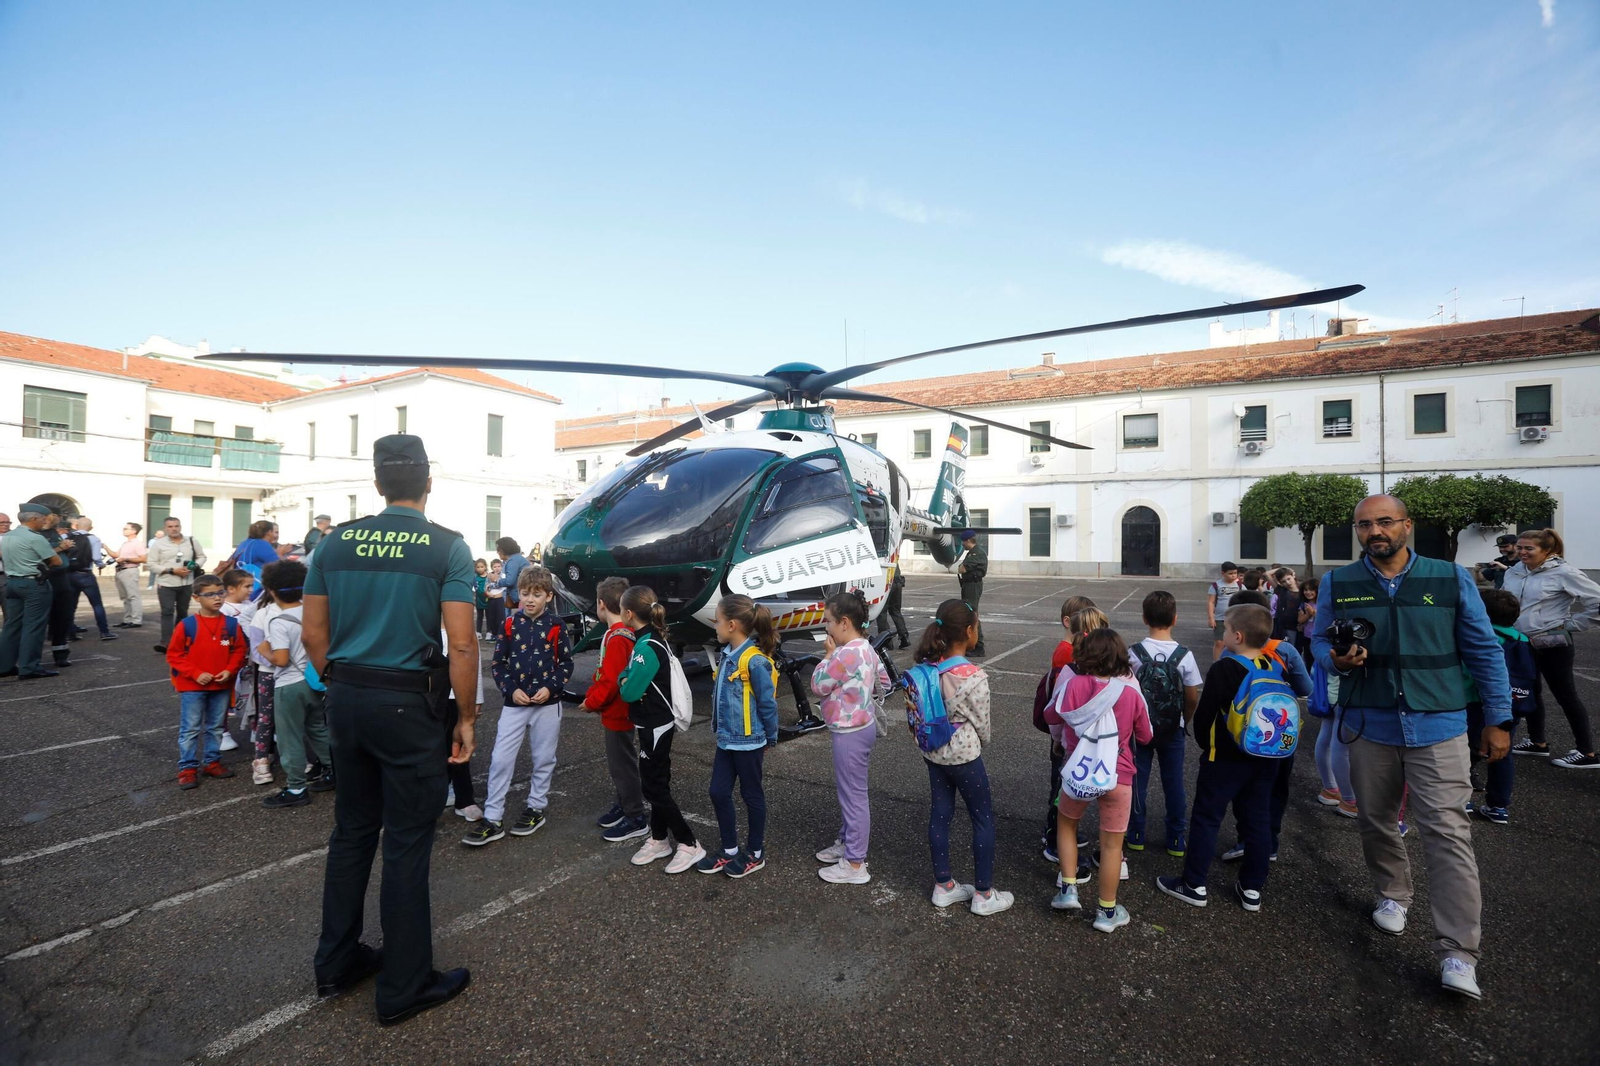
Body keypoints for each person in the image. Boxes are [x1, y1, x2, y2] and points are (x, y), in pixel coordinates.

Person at [306, 433, 478, 1026]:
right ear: (428, 484)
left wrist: (345, 684)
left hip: (347, 696)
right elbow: (460, 642)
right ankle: (403, 986)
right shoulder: (446, 548)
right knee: (405, 841)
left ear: (377, 484)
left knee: (352, 832)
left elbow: (312, 636)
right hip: (409, 706)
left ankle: (336, 962)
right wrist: (467, 716)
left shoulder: (332, 544)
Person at [1311, 494, 1511, 1000]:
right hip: (1369, 724)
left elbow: (1484, 648)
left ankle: (1458, 953)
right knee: (1375, 821)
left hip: (1438, 724)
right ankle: (1393, 894)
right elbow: (1318, 641)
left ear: (1407, 525)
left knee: (1448, 835)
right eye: (1364, 525)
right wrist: (1336, 661)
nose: (1374, 532)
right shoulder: (1340, 581)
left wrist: (1498, 717)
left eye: (1384, 522)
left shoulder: (1450, 577)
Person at [1156, 604, 1284, 915]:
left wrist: (1204, 744)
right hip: (1266, 758)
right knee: (1258, 820)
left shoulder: (1224, 668)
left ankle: (1194, 883)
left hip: (1224, 758)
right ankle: (1252, 887)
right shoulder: (1273, 666)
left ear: (1237, 636)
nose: (1223, 634)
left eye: (1225, 630)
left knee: (1207, 817)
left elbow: (1206, 714)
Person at [1049, 628, 1153, 932]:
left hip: (1077, 769)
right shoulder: (1130, 693)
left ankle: (1068, 889)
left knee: (1067, 824)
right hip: (1117, 775)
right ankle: (1106, 911)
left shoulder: (1072, 686)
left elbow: (1052, 715)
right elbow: (1146, 735)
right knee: (1111, 845)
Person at [911, 598, 1010, 915]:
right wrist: (983, 741)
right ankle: (983, 894)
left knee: (941, 813)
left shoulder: (928, 671)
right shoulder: (973, 676)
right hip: (965, 757)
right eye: (976, 626)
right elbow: (983, 725)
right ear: (968, 631)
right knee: (982, 817)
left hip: (933, 754)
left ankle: (944, 886)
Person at [464, 565, 572, 845]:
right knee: (500, 759)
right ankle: (493, 817)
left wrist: (550, 688)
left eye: (536, 594)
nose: (529, 600)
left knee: (543, 758)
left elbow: (566, 665)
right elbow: (498, 664)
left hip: (549, 705)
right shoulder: (509, 625)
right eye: (525, 594)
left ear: (549, 596)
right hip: (514, 705)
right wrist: (511, 690)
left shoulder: (557, 626)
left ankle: (536, 808)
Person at [618, 584, 705, 874]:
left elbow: (629, 691)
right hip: (653, 722)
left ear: (629, 614)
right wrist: (627, 678)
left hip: (654, 724)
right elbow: (630, 678)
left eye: (621, 609)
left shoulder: (646, 646)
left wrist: (625, 681)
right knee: (658, 783)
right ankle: (658, 839)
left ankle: (689, 842)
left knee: (653, 786)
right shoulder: (649, 639)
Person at [811, 591, 892, 885]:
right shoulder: (866, 648)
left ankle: (855, 863)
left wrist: (828, 656)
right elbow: (884, 681)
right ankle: (847, 844)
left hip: (849, 731)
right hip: (865, 725)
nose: (826, 628)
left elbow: (818, 685)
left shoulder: (844, 654)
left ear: (844, 622)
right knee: (853, 792)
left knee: (853, 797)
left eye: (829, 622)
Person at [696, 594, 779, 877]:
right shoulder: (728, 655)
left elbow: (767, 703)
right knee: (718, 791)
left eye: (717, 622)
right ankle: (729, 849)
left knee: (751, 795)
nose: (715, 627)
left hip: (749, 741)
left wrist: (771, 736)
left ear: (731, 625)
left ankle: (755, 853)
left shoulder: (754, 662)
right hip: (727, 740)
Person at [1503, 528, 1600, 768]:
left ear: (1547, 551)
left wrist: (1571, 624)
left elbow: (1597, 602)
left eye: (1529, 548)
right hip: (1522, 642)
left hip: (1553, 644)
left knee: (1565, 695)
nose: (1522, 552)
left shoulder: (1564, 573)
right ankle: (1538, 743)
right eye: (1520, 547)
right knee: (1530, 691)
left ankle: (1586, 752)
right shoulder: (1515, 571)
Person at [1127, 592, 1202, 858]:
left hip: (1139, 728)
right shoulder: (1185, 655)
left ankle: (1135, 833)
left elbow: (1126, 689)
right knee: (1174, 783)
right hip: (1173, 728)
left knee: (1138, 780)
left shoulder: (1133, 653)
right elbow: (1192, 695)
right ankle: (1176, 838)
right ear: (1175, 619)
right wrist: (1184, 719)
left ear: (1145, 618)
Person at [257, 559, 333, 809]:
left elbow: (280, 659)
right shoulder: (314, 614)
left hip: (289, 685)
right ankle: (335, 771)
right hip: (315, 681)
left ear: (271, 590)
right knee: (318, 728)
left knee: (290, 737)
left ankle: (296, 787)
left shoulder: (279, 621)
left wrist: (263, 649)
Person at [583, 577, 648, 842]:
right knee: (619, 764)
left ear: (601, 604)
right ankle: (624, 804)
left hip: (619, 713)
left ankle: (635, 815)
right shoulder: (616, 633)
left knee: (623, 765)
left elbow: (611, 681)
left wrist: (591, 701)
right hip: (616, 711)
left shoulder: (619, 637)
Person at [166, 574, 245, 789]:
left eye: (220, 593)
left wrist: (230, 670)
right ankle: (188, 768)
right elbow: (174, 655)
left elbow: (238, 650)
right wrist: (195, 673)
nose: (217, 598)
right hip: (193, 686)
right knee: (190, 728)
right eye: (209, 594)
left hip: (220, 685)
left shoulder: (230, 624)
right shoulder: (187, 625)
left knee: (216, 727)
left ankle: (212, 762)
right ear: (196, 598)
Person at [1466, 590, 1538, 824]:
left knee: (1465, 748)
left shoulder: (1484, 637)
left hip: (1477, 701)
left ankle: (1462, 798)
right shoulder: (1522, 639)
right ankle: (1498, 806)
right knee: (1502, 753)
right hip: (1513, 704)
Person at [1034, 595, 1097, 862]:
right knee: (1060, 786)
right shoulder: (1066, 654)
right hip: (1064, 733)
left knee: (1068, 784)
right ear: (1069, 622)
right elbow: (1063, 701)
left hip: (1069, 733)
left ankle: (1066, 830)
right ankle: (1054, 836)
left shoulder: (1072, 652)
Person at [0, 503, 65, 680]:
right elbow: (56, 561)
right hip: (33, 583)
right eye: (43, 519)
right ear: (34, 519)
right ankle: (29, 667)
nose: (45, 522)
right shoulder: (35, 538)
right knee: (34, 626)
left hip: (12, 582)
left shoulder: (7, 536)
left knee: (12, 626)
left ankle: (4, 665)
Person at [441, 623, 483, 823]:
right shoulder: (419, 623)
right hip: (426, 698)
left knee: (459, 749)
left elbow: (473, 661)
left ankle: (464, 799)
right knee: (431, 749)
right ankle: (437, 793)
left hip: (457, 697)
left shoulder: (462, 625)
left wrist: (477, 698)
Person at [149, 516, 206, 652]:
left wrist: (194, 566)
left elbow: (201, 556)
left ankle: (179, 640)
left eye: (176, 526)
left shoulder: (191, 541)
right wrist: (171, 570)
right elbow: (151, 564)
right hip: (166, 583)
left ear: (180, 527)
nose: (174, 529)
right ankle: (165, 642)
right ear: (165, 528)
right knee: (167, 612)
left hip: (187, 583)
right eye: (170, 526)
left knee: (182, 612)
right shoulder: (159, 544)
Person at [216, 568, 256, 753]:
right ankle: (222, 733)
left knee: (255, 695)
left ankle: (257, 729)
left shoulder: (253, 605)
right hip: (230, 661)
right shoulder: (222, 609)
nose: (250, 590)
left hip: (252, 658)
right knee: (224, 697)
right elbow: (220, 637)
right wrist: (229, 645)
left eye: (252, 586)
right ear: (231, 589)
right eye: (247, 586)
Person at [225, 520, 281, 596]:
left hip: (238, 583)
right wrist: (280, 553)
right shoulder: (262, 544)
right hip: (255, 586)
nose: (274, 535)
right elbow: (278, 565)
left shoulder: (244, 543)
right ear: (269, 532)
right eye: (273, 532)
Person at [956, 530, 987, 657]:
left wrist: (962, 567)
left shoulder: (976, 553)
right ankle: (973, 643)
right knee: (969, 612)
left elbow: (962, 568)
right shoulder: (972, 553)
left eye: (963, 541)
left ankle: (979, 646)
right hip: (968, 584)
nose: (962, 544)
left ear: (968, 540)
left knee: (972, 614)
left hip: (973, 585)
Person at [113, 522, 148, 628]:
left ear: (134, 531)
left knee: (133, 596)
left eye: (126, 528)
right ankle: (127, 619)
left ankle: (136, 620)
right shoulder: (125, 543)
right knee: (125, 597)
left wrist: (126, 559)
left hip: (130, 570)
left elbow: (143, 558)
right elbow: (116, 555)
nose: (124, 530)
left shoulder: (137, 543)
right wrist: (105, 547)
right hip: (121, 570)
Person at [1207, 562, 1243, 660]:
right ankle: (1216, 663)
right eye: (1230, 573)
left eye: (1235, 573)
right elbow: (1211, 602)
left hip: (1236, 619)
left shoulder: (1240, 585)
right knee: (1219, 642)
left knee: (1235, 641)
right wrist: (1211, 618)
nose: (1233, 576)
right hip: (1220, 618)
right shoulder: (1216, 585)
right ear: (1223, 573)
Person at [874, 565, 909, 649]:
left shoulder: (879, 552)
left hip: (886, 581)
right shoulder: (891, 552)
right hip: (897, 580)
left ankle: (886, 641)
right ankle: (904, 637)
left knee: (881, 612)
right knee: (895, 611)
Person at [491, 537, 529, 612]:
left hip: (522, 597)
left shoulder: (512, 560)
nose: (497, 552)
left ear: (503, 550)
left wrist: (496, 579)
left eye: (498, 550)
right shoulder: (518, 558)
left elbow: (509, 581)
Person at [1270, 568, 1300, 642]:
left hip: (1300, 625)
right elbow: (1267, 574)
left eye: (1289, 579)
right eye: (1283, 581)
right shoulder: (1282, 591)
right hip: (1286, 626)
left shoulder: (1303, 590)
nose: (1288, 582)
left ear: (1293, 576)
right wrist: (1281, 568)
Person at [1295, 582, 1319, 658]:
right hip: (1307, 636)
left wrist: (1313, 613)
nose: (1308, 592)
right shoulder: (1303, 604)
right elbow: (1300, 620)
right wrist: (1308, 614)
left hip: (1319, 636)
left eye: (1311, 590)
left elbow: (1323, 619)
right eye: (1306, 590)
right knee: (1308, 658)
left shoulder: (1322, 604)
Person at [472, 559, 490, 640]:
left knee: (489, 616)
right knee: (480, 616)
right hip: (479, 600)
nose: (480, 569)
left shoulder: (489, 577)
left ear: (485, 567)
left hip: (488, 599)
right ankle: (478, 632)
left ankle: (489, 632)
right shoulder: (475, 578)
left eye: (482, 567)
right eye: (478, 567)